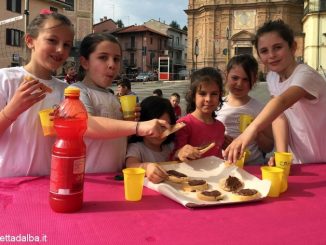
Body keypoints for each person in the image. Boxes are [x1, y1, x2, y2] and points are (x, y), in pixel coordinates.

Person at [0, 11, 168, 178]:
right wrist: (11, 111)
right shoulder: (6, 79)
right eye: (52, 40)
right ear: (30, 40)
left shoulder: (65, 90)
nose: (60, 49)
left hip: (53, 179)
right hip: (9, 180)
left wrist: (127, 123)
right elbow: (87, 124)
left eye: (67, 45)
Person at [224, 19, 326, 164]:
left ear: (293, 47)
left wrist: (249, 131)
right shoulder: (272, 77)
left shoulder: (305, 74)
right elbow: (279, 116)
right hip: (299, 161)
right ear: (259, 56)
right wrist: (281, 154)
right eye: (264, 51)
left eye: (277, 47)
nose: (271, 55)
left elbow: (281, 102)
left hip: (322, 159)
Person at [70, 32, 167, 173]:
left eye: (116, 59)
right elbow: (86, 124)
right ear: (85, 62)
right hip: (88, 178)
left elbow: (119, 139)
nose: (112, 65)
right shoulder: (76, 91)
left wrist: (130, 122)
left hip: (115, 176)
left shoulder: (114, 98)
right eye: (103, 57)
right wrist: (137, 126)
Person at [215, 54, 274, 165]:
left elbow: (269, 147)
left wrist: (255, 133)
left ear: (254, 80)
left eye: (246, 79)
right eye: (235, 78)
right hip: (222, 166)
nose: (239, 84)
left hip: (253, 166)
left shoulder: (260, 109)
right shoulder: (215, 106)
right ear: (226, 75)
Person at [173, 67, 225, 162]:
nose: (208, 99)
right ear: (193, 96)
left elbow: (219, 159)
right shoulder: (183, 124)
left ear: (220, 96)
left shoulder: (220, 127)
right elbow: (172, 156)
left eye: (214, 94)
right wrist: (180, 152)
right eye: (202, 93)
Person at [126, 96, 176, 183]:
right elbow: (130, 165)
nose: (158, 132)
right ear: (141, 124)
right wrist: (146, 167)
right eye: (154, 126)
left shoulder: (170, 146)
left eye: (164, 126)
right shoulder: (137, 148)